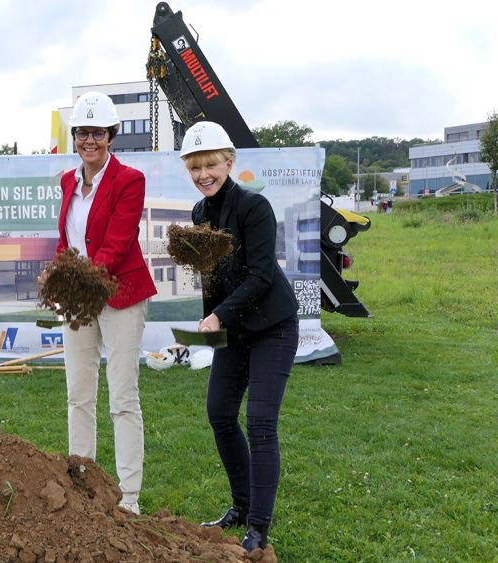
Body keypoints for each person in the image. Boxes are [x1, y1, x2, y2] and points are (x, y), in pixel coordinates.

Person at [180, 121, 299, 552]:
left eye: (210, 165)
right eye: (195, 167)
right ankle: (242, 506)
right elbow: (211, 277)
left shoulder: (254, 207)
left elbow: (262, 275)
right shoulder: (199, 213)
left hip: (273, 327)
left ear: (229, 163)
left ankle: (259, 528)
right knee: (220, 414)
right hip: (233, 329)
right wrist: (207, 327)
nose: (203, 175)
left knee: (261, 423)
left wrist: (218, 316)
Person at [52, 91, 157, 515]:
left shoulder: (130, 180)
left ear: (111, 136)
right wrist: (61, 280)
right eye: (82, 132)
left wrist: (85, 282)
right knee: (78, 394)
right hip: (79, 299)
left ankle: (128, 497)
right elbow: (67, 240)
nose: (89, 140)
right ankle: (83, 482)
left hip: (120, 297)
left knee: (122, 399)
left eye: (97, 132)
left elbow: (116, 242)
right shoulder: (67, 181)